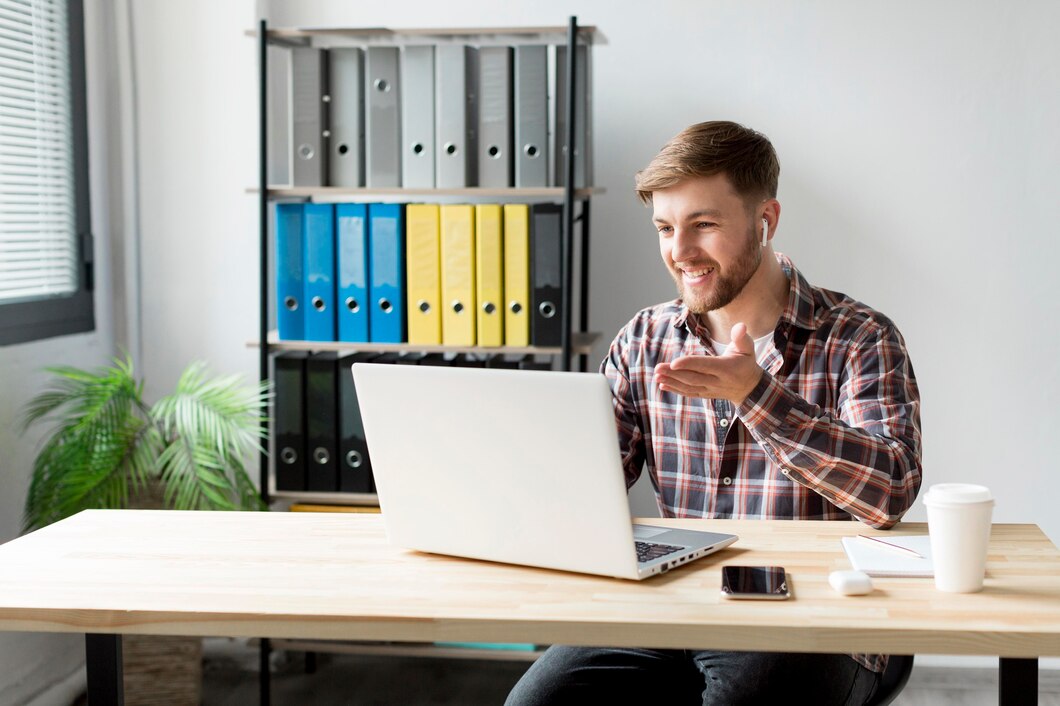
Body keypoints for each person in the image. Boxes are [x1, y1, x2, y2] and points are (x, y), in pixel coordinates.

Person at [505, 121, 923, 705]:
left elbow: (891, 491)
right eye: (665, 228)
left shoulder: (859, 337)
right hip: (673, 608)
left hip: (816, 616)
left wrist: (757, 395)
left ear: (765, 221)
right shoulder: (644, 340)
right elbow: (585, 485)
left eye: (703, 224)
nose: (680, 252)